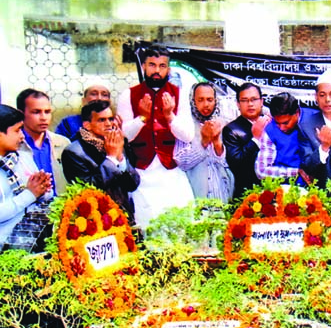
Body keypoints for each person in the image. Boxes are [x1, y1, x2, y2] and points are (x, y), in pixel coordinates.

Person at [115, 44, 195, 229]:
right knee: (146, 225)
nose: (156, 71)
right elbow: (124, 136)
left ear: (168, 69)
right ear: (143, 66)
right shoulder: (129, 95)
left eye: (162, 66)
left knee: (179, 225)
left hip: (171, 171)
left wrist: (169, 116)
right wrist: (142, 117)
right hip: (141, 172)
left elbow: (188, 135)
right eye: (152, 65)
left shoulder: (179, 94)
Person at [61, 100, 140, 219]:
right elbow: (88, 189)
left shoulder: (116, 143)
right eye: (102, 120)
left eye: (110, 119)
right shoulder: (73, 152)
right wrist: (111, 159)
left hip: (123, 216)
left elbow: (132, 184)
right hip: (95, 221)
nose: (108, 124)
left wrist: (121, 158)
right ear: (87, 125)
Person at [0, 104, 53, 251]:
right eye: (17, 130)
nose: (22, 136)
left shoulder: (23, 158)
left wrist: (43, 189)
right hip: (6, 251)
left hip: (37, 240)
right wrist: (29, 194)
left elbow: (42, 197)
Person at [174, 82, 234, 203]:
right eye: (200, 100)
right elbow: (182, 162)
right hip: (197, 199)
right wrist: (204, 142)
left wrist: (217, 143)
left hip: (224, 195)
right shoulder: (185, 127)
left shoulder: (225, 125)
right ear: (193, 101)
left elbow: (231, 162)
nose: (206, 105)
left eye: (210, 100)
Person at [16, 88, 69, 195]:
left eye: (47, 112)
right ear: (21, 114)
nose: (44, 118)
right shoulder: (13, 145)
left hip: (61, 208)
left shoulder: (63, 143)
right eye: (36, 112)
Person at [222, 82, 270, 198]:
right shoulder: (231, 130)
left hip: (275, 191)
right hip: (247, 196)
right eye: (244, 100)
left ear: (261, 101)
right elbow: (237, 165)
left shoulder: (272, 124)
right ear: (238, 104)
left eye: (254, 99)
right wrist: (256, 139)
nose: (250, 104)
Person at [255, 92, 310, 184]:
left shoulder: (314, 119)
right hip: (284, 190)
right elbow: (261, 171)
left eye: (285, 123)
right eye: (277, 123)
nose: (281, 128)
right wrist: (296, 172)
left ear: (296, 113)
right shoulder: (270, 130)